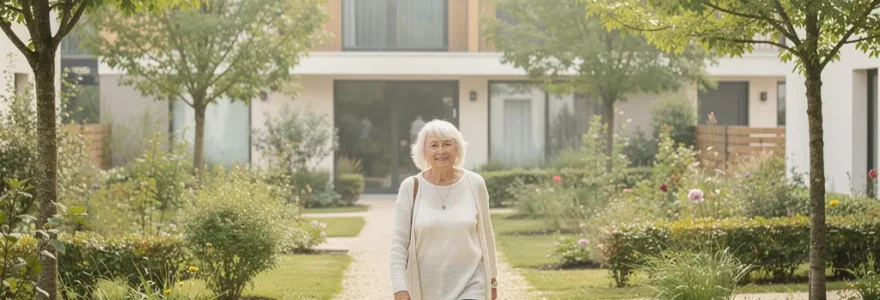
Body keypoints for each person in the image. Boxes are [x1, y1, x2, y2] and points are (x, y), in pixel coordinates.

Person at [389, 119, 498, 300]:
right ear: (424, 152)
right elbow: (399, 243)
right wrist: (399, 288)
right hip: (426, 286)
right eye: (434, 145)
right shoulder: (411, 187)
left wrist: (492, 279)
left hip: (472, 282)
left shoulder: (475, 183)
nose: (441, 151)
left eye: (447, 144)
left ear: (457, 149)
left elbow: (487, 235)